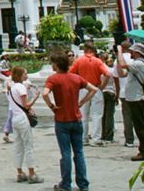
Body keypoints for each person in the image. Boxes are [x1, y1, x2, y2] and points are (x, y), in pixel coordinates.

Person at [41, 51, 98, 191]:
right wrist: (82, 102)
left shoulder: (53, 79)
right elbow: (93, 89)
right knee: (79, 152)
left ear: (56, 64)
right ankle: (83, 184)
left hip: (62, 119)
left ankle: (66, 184)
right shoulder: (76, 78)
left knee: (65, 153)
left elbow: (45, 93)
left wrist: (52, 106)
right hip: (76, 118)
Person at [117, 41, 144, 160]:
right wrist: (118, 61)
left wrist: (119, 52)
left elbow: (124, 66)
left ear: (137, 52)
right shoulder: (137, 64)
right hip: (135, 98)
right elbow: (122, 73)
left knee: (141, 126)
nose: (130, 54)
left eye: (132, 52)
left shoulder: (139, 64)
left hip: (137, 99)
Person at [7, 66, 42, 184]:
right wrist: (35, 98)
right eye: (25, 74)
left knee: (18, 146)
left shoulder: (12, 88)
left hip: (15, 118)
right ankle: (32, 173)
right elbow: (26, 105)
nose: (26, 76)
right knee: (28, 146)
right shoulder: (21, 88)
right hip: (22, 118)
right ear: (20, 76)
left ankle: (20, 172)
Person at [70, 43, 109, 146]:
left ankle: (83, 138)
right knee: (97, 115)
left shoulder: (79, 60)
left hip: (83, 88)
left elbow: (71, 74)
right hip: (96, 88)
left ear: (85, 49)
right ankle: (96, 138)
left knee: (83, 115)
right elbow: (108, 74)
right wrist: (103, 85)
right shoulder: (98, 61)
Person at [99, 51, 119, 145]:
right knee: (109, 115)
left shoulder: (97, 70)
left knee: (102, 115)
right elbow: (116, 82)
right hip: (110, 92)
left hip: (101, 92)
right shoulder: (110, 70)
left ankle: (102, 135)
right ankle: (109, 136)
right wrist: (117, 94)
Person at [0, 57, 15, 143]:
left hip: (13, 106)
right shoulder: (13, 85)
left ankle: (6, 134)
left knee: (10, 119)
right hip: (15, 107)